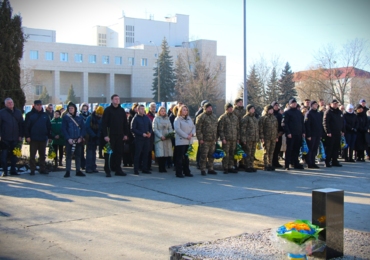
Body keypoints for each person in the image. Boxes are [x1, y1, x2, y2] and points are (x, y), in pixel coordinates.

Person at [101, 94, 129, 177]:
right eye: (115, 99)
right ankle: (107, 170)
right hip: (110, 136)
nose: (117, 100)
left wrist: (126, 134)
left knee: (119, 153)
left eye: (118, 99)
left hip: (120, 135)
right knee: (108, 153)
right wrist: (105, 135)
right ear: (112, 100)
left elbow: (125, 123)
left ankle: (118, 169)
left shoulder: (122, 110)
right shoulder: (108, 110)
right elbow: (104, 124)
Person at [25, 100, 52, 175]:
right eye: (38, 105)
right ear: (34, 105)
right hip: (33, 138)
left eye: (40, 105)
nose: (39, 106)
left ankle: (42, 168)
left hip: (43, 138)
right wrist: (27, 136)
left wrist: (49, 136)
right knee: (32, 155)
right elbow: (26, 127)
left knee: (42, 155)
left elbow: (49, 126)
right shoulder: (29, 115)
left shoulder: (45, 115)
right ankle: (32, 169)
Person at [0, 98, 24, 176]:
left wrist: (21, 135)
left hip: (15, 138)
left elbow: (21, 125)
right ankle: (5, 171)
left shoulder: (18, 112)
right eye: (9, 103)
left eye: (12, 102)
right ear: (6, 104)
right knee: (4, 156)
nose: (11, 104)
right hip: (5, 138)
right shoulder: (2, 113)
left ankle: (13, 170)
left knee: (14, 155)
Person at [62, 102, 86, 177]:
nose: (70, 109)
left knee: (78, 156)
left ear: (75, 109)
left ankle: (78, 170)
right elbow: (63, 129)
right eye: (69, 108)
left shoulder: (79, 117)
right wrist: (68, 138)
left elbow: (83, 128)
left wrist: (81, 137)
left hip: (78, 139)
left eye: (72, 108)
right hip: (70, 140)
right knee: (68, 156)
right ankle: (67, 171)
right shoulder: (66, 117)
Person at [282, 98, 305, 170]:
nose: (294, 104)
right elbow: (284, 124)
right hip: (291, 135)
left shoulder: (299, 112)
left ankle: (296, 163)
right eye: (293, 103)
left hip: (298, 134)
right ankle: (287, 165)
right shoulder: (287, 113)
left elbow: (302, 123)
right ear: (290, 104)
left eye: (295, 103)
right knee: (289, 150)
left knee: (297, 149)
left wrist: (303, 132)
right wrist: (288, 132)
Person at [196, 103, 218, 176]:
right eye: (208, 107)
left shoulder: (214, 116)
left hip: (212, 139)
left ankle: (210, 168)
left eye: (211, 107)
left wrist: (216, 138)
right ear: (205, 108)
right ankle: (202, 169)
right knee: (204, 155)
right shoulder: (201, 116)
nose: (210, 108)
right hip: (204, 140)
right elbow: (198, 129)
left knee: (211, 155)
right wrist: (200, 138)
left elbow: (216, 128)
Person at [174, 105, 195, 178]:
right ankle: (179, 172)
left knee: (186, 157)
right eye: (183, 110)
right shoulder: (177, 119)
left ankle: (187, 171)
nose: (185, 111)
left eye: (186, 110)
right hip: (181, 141)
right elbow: (178, 129)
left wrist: (192, 133)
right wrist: (186, 136)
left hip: (188, 141)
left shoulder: (189, 118)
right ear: (180, 111)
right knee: (180, 158)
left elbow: (193, 127)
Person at [217, 103, 239, 174]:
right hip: (226, 139)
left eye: (231, 108)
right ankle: (225, 167)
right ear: (226, 109)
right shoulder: (223, 117)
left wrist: (237, 138)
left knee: (232, 153)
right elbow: (220, 129)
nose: (231, 109)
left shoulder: (235, 117)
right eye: (229, 108)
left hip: (234, 139)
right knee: (226, 153)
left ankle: (230, 166)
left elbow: (237, 128)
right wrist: (223, 138)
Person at [131, 104, 153, 175]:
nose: (142, 110)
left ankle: (145, 168)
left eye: (143, 109)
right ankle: (136, 169)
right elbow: (133, 129)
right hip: (139, 139)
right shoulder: (135, 118)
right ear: (138, 110)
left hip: (147, 139)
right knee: (137, 154)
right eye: (141, 109)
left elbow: (150, 127)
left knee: (146, 154)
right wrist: (141, 134)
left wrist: (150, 133)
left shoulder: (146, 118)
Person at [323, 100, 345, 167]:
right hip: (331, 133)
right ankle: (327, 161)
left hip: (338, 133)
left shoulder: (339, 112)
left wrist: (343, 130)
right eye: (334, 104)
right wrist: (328, 131)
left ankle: (334, 161)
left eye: (336, 104)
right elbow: (325, 122)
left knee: (336, 148)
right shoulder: (328, 112)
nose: (335, 105)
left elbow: (342, 122)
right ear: (331, 104)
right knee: (330, 148)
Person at [153, 106, 173, 173]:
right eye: (162, 111)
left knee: (165, 153)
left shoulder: (167, 119)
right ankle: (160, 167)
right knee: (160, 153)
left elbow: (170, 128)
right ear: (159, 111)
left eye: (164, 111)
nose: (163, 112)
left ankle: (164, 167)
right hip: (160, 138)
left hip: (166, 138)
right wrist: (161, 136)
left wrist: (169, 134)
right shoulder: (156, 119)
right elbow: (155, 129)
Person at [259, 105, 278, 171]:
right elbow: (261, 128)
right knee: (266, 151)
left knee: (271, 151)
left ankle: (270, 164)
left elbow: (276, 128)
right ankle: (265, 164)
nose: (271, 111)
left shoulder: (274, 118)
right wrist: (261, 137)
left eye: (272, 110)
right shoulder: (263, 118)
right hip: (266, 137)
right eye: (270, 110)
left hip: (273, 137)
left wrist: (276, 136)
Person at [85, 106, 104, 173]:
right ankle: (88, 167)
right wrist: (93, 135)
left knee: (94, 153)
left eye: (101, 114)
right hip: (90, 138)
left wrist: (97, 136)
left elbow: (101, 129)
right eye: (99, 114)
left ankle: (93, 167)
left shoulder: (100, 119)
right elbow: (87, 127)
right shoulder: (90, 118)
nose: (100, 115)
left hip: (96, 138)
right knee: (89, 153)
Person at [240, 104, 259, 172]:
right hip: (248, 139)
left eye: (253, 109)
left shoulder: (254, 118)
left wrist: (257, 138)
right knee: (247, 152)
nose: (253, 110)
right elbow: (243, 129)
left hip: (254, 139)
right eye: (251, 109)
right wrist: (243, 139)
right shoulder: (245, 118)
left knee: (252, 153)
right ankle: (247, 166)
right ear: (248, 110)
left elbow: (256, 129)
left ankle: (251, 165)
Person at [304, 101, 323, 168]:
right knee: (310, 149)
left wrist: (320, 134)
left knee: (315, 149)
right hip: (311, 135)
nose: (316, 105)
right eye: (314, 104)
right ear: (311, 105)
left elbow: (320, 124)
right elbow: (307, 125)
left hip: (317, 134)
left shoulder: (318, 114)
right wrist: (308, 135)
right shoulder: (308, 113)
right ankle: (309, 163)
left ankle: (313, 162)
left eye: (316, 104)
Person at [232, 98, 246, 169]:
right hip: (236, 130)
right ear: (236, 103)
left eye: (241, 102)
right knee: (235, 148)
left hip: (243, 131)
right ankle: (234, 163)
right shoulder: (234, 111)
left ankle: (241, 163)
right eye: (239, 102)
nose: (241, 103)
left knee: (242, 148)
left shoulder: (244, 111)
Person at [194, 100, 208, 169]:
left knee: (206, 149)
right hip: (202, 133)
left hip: (208, 134)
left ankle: (205, 162)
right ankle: (199, 162)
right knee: (201, 149)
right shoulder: (199, 113)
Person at [271, 101, 284, 168]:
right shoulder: (271, 115)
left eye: (277, 105)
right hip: (272, 135)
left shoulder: (280, 115)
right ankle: (271, 162)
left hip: (279, 134)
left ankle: (276, 162)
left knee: (278, 149)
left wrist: (281, 132)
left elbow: (282, 124)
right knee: (272, 149)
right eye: (275, 105)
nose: (276, 106)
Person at [146, 102, 156, 170]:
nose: (153, 108)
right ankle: (148, 165)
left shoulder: (157, 115)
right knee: (149, 150)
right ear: (149, 108)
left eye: (154, 107)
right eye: (152, 107)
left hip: (156, 135)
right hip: (150, 135)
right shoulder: (147, 116)